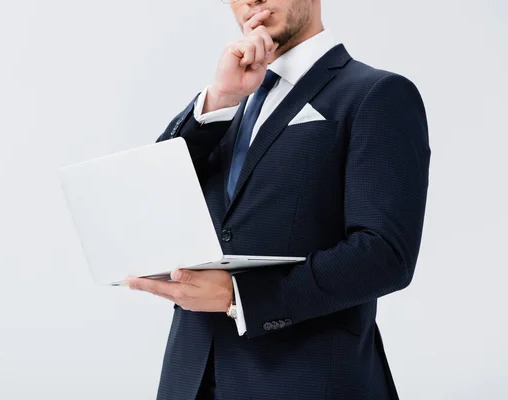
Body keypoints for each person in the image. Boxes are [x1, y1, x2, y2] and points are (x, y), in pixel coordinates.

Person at [127, 0, 431, 398]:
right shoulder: (225, 101)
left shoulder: (378, 94)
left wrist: (241, 298)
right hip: (191, 378)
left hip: (307, 380)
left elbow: (385, 254)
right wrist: (220, 97)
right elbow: (151, 195)